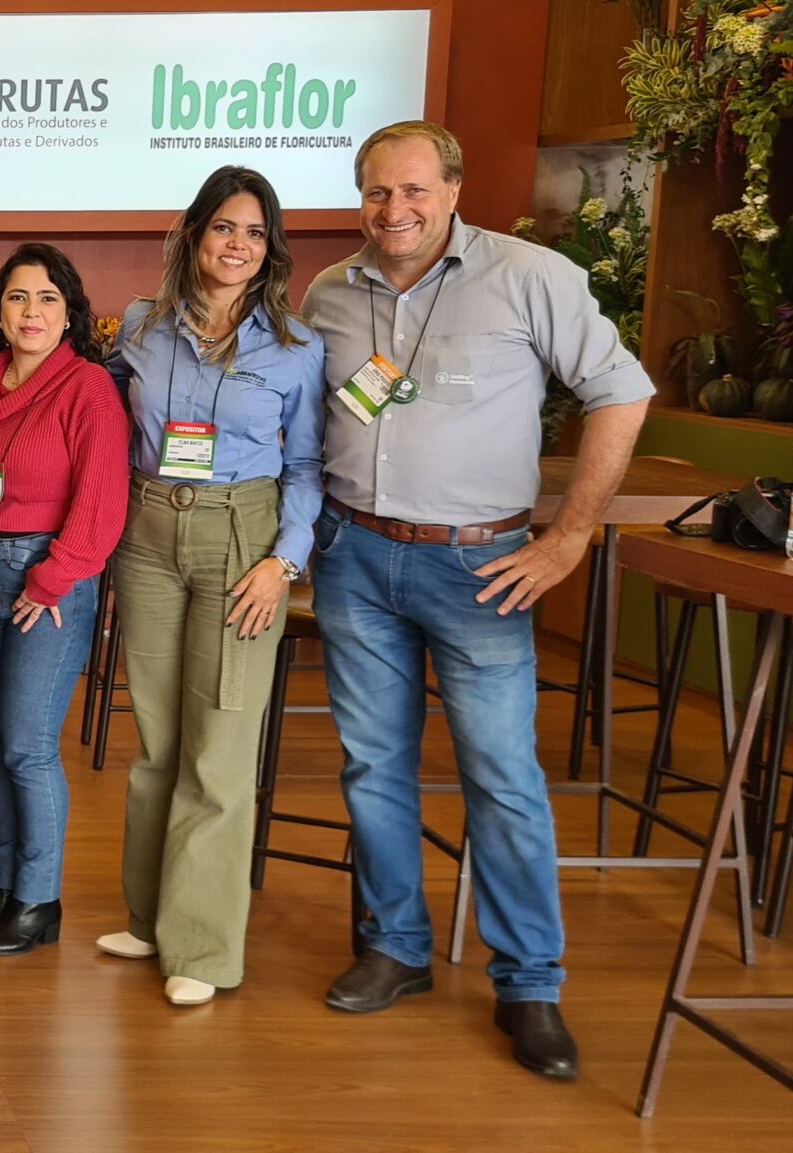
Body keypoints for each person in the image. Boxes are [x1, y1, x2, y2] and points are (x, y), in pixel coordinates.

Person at [301, 121, 650, 1081]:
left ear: (454, 190)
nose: (395, 210)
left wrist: (569, 535)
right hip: (356, 554)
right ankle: (395, 948)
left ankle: (529, 983)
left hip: (482, 567)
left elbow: (621, 394)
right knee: (374, 766)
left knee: (501, 777)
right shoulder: (331, 292)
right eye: (378, 192)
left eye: (415, 190)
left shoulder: (529, 275)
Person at [96, 167, 325, 1007]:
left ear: (271, 249)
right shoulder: (141, 327)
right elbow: (105, 419)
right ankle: (151, 917)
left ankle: (203, 947)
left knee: (219, 744)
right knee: (158, 739)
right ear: (194, 234)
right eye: (225, 227)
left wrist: (283, 561)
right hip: (150, 530)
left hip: (243, 538)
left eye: (255, 233)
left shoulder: (297, 348)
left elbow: (308, 465)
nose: (238, 244)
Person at [0, 243, 127, 960]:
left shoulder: (87, 388)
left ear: (69, 313)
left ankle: (40, 900)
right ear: (0, 311)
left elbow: (101, 503)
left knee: (28, 747)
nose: (31, 311)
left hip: (48, 584)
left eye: (47, 298)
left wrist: (50, 580)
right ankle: (8, 890)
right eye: (17, 297)